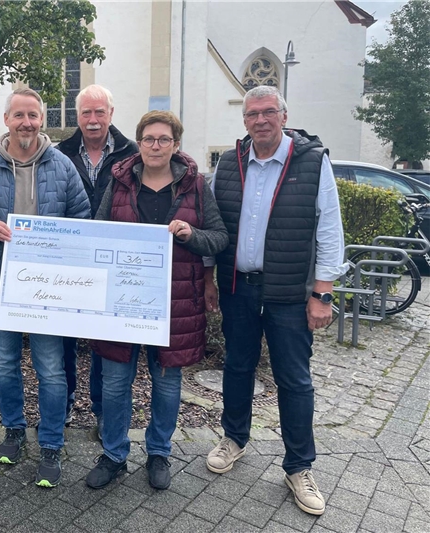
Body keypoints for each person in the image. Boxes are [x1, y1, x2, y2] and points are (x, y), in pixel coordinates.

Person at [204, 86, 345, 516]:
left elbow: (329, 230)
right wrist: (210, 278)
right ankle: (235, 438)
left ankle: (299, 466)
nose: (260, 120)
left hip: (288, 294)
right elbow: (213, 222)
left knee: (294, 379)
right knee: (238, 365)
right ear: (244, 120)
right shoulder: (229, 164)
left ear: (284, 116)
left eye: (268, 112)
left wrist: (323, 293)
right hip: (237, 287)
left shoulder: (312, 161)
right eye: (252, 114)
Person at [85, 111, 228, 490]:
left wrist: (190, 234)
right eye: (149, 138)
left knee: (167, 384)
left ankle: (159, 452)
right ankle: (114, 454)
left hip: (174, 303)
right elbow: (96, 233)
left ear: (176, 145)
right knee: (116, 384)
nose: (155, 145)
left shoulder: (196, 186)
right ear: (139, 142)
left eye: (164, 139)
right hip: (121, 300)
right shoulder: (119, 183)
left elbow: (218, 237)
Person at [0, 88, 90, 488]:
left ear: (41, 120)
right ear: (7, 120)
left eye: (33, 115)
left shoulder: (62, 166)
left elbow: (81, 216)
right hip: (1, 285)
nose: (27, 123)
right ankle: (14, 430)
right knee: (6, 362)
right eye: (19, 115)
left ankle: (51, 441)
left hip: (49, 289)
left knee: (50, 368)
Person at [56, 84, 139, 431]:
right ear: (78, 116)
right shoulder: (60, 153)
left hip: (113, 262)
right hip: (70, 261)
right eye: (86, 113)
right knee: (64, 337)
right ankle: (66, 401)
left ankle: (102, 408)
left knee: (107, 339)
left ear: (111, 115)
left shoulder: (132, 154)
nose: (92, 120)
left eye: (99, 112)